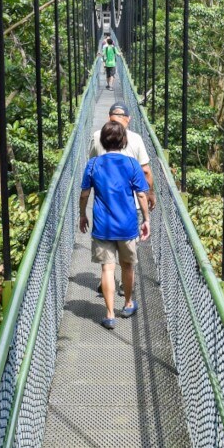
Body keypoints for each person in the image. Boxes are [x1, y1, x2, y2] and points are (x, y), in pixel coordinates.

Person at [80, 119, 150, 329]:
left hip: (102, 226)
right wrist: (146, 219)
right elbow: (141, 195)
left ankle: (109, 314)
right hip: (127, 225)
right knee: (127, 266)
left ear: (101, 140)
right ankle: (128, 304)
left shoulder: (93, 164)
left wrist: (82, 214)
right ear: (124, 140)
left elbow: (84, 194)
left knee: (107, 269)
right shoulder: (131, 164)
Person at [91, 102, 152, 195]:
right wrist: (151, 193)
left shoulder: (97, 136)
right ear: (128, 119)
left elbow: (92, 164)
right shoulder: (136, 138)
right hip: (130, 201)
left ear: (109, 118)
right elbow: (146, 170)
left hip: (104, 198)